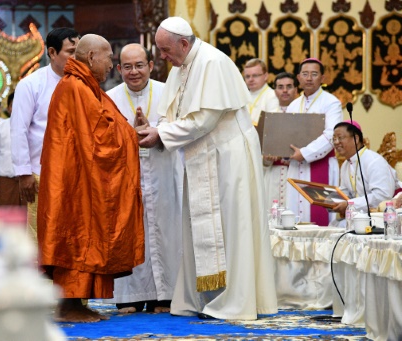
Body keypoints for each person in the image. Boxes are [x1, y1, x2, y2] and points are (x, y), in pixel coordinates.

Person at [137, 17, 277, 320]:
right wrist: (156, 129)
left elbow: (205, 120)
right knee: (195, 226)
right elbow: (171, 114)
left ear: (183, 44)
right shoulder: (182, 67)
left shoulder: (213, 62)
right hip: (201, 155)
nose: (162, 57)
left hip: (230, 155)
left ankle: (234, 303)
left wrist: (161, 134)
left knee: (231, 227)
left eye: (165, 49)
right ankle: (196, 298)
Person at [37, 34, 144, 323]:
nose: (111, 64)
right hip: (75, 182)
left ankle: (76, 303)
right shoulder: (76, 88)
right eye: (109, 57)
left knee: (83, 237)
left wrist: (127, 131)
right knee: (76, 237)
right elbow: (100, 140)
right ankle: (69, 306)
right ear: (92, 57)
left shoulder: (84, 86)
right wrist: (130, 136)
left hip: (79, 178)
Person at [106, 43, 183, 314]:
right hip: (126, 177)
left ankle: (166, 294)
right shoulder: (109, 97)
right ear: (119, 69)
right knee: (130, 232)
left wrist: (157, 133)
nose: (134, 72)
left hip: (163, 172)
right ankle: (130, 295)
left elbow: (181, 129)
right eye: (127, 66)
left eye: (139, 65)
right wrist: (130, 135)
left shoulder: (168, 93)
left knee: (166, 230)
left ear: (151, 65)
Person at [11, 27, 80, 243]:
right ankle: (40, 277)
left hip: (77, 173)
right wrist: (24, 173)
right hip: (41, 173)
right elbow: (18, 130)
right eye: (71, 51)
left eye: (79, 51)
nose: (76, 57)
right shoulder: (31, 85)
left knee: (72, 234)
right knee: (42, 234)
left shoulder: (83, 83)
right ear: (52, 52)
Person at [286, 58, 343, 226]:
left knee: (323, 218)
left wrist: (304, 153)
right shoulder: (293, 105)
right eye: (305, 74)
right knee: (295, 217)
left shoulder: (331, 102)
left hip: (322, 164)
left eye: (314, 74)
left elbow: (332, 134)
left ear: (322, 78)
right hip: (297, 167)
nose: (309, 78)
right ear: (298, 77)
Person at [331, 121, 398, 220]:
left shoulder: (374, 161)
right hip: (357, 216)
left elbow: (382, 196)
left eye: (340, 138)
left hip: (380, 217)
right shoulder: (346, 164)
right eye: (334, 139)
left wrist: (349, 204)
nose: (336, 142)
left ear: (356, 138)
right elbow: (345, 192)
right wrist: (329, 200)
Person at [263, 72, 299, 210]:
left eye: (289, 86)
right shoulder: (268, 116)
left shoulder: (303, 113)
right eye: (280, 87)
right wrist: (266, 158)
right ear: (275, 91)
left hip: (296, 171)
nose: (284, 90)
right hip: (273, 174)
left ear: (296, 90)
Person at [0, 93, 23, 206]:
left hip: (28, 181)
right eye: (13, 105)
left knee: (28, 220)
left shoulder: (34, 127)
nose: (17, 108)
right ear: (8, 108)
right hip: (5, 181)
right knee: (3, 220)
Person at [243, 58, 279, 125]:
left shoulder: (273, 96)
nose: (251, 79)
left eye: (255, 75)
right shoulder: (242, 97)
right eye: (247, 76)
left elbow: (273, 124)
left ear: (265, 76)